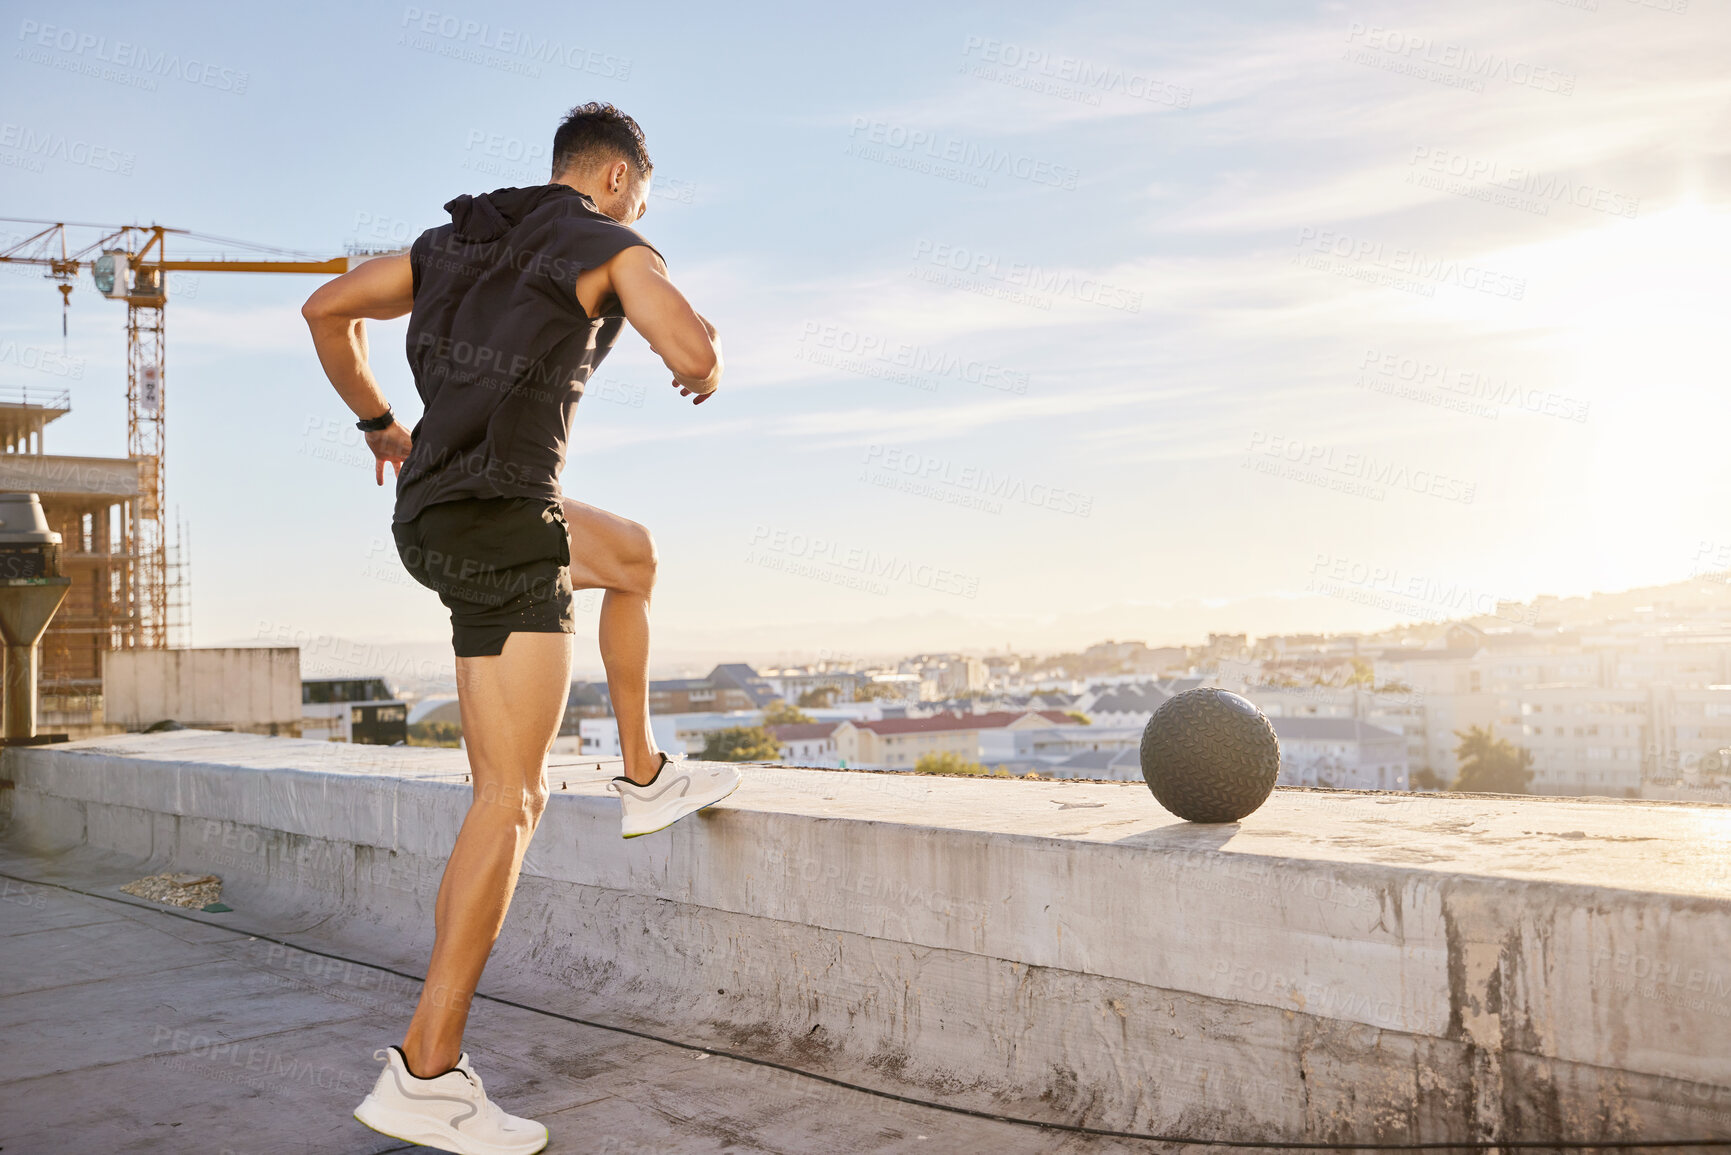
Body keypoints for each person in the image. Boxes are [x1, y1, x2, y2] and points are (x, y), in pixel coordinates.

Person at [301, 101, 740, 1155]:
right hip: (500, 528)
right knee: (510, 798)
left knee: (629, 556)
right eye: (641, 192)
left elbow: (326, 309)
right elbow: (689, 340)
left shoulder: (455, 242)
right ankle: (427, 1069)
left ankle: (643, 773)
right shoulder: (608, 238)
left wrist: (378, 423)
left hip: (440, 513)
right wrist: (700, 361)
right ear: (621, 179)